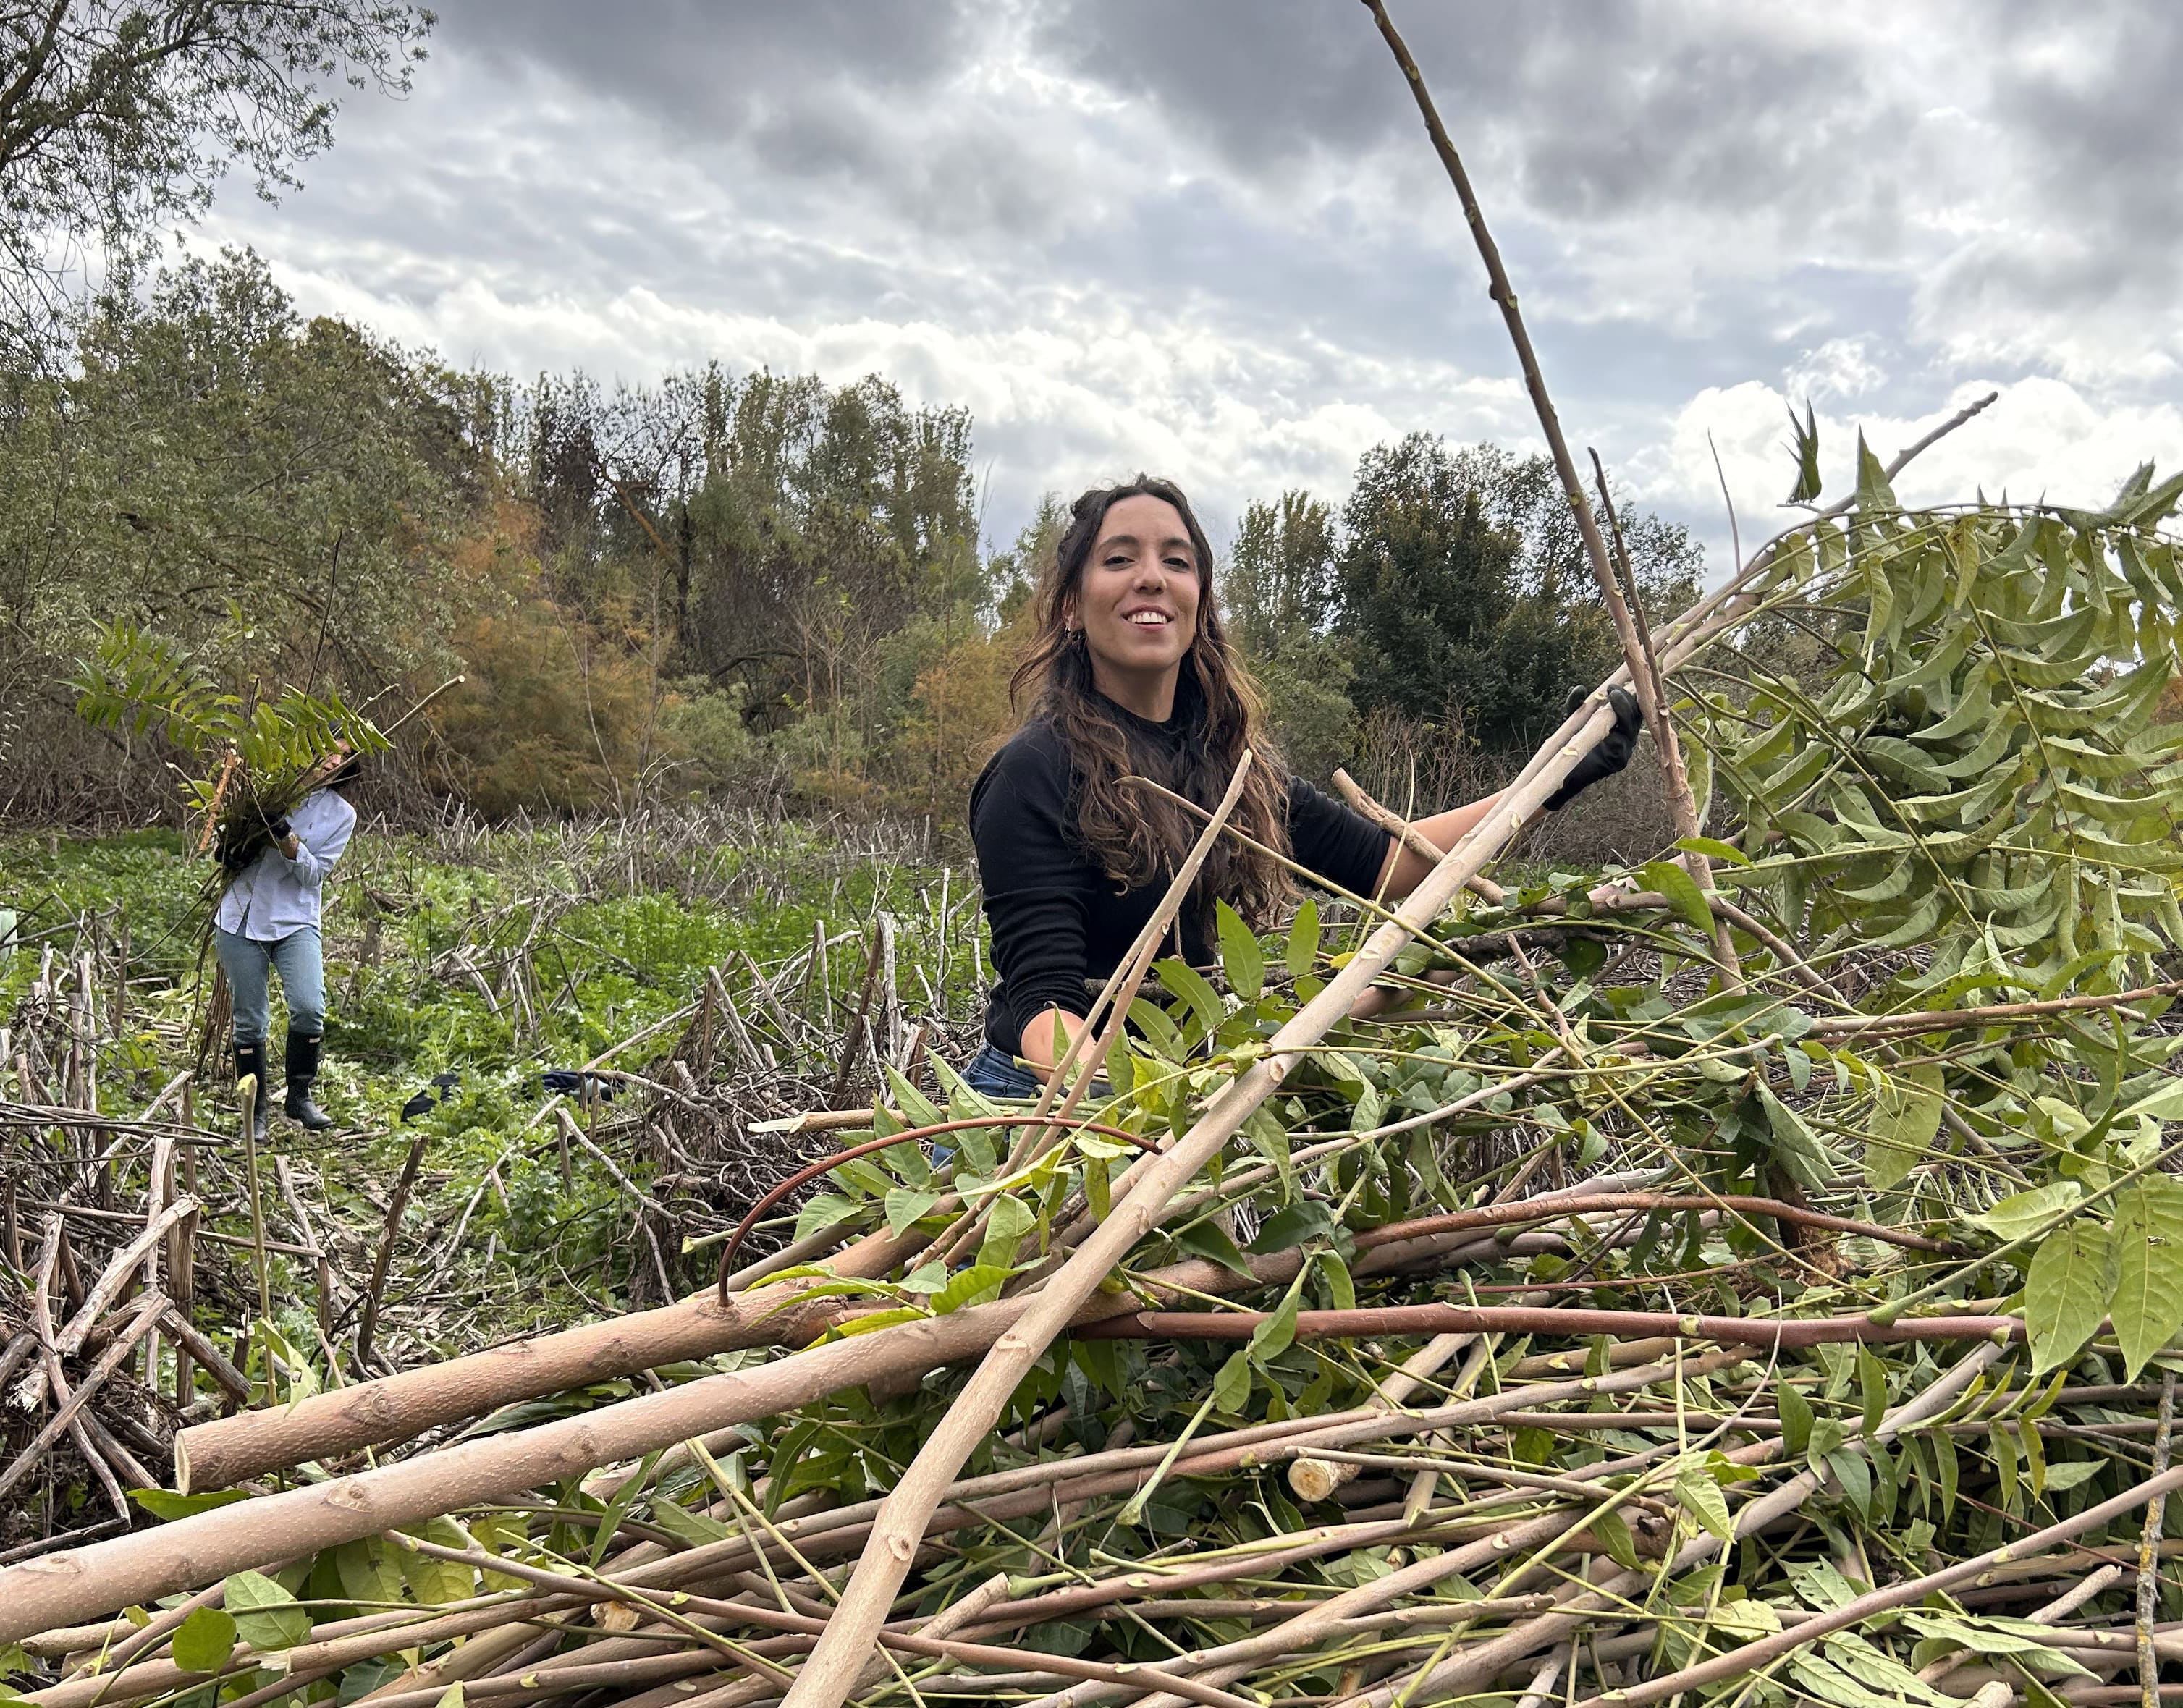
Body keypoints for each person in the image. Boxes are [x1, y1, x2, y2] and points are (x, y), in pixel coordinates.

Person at [966, 475, 1641, 1099]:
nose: (1151, 578)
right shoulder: (1035, 771)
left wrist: (1552, 777)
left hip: (1172, 1094)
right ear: (1069, 609)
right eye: (1119, 560)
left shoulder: (1231, 770)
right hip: (1043, 1102)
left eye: (1177, 561)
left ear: (1200, 601)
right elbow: (1045, 1004)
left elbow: (1386, 864)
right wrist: (1138, 1112)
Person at [212, 748, 363, 1136]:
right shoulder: (268, 789)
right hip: (240, 917)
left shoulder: (341, 815)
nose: (332, 761)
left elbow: (314, 875)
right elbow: (225, 834)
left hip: (295, 920)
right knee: (250, 1021)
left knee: (310, 1007)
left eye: (342, 758)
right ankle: (256, 1111)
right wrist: (229, 851)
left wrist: (287, 838)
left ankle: (299, 1095)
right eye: (327, 750)